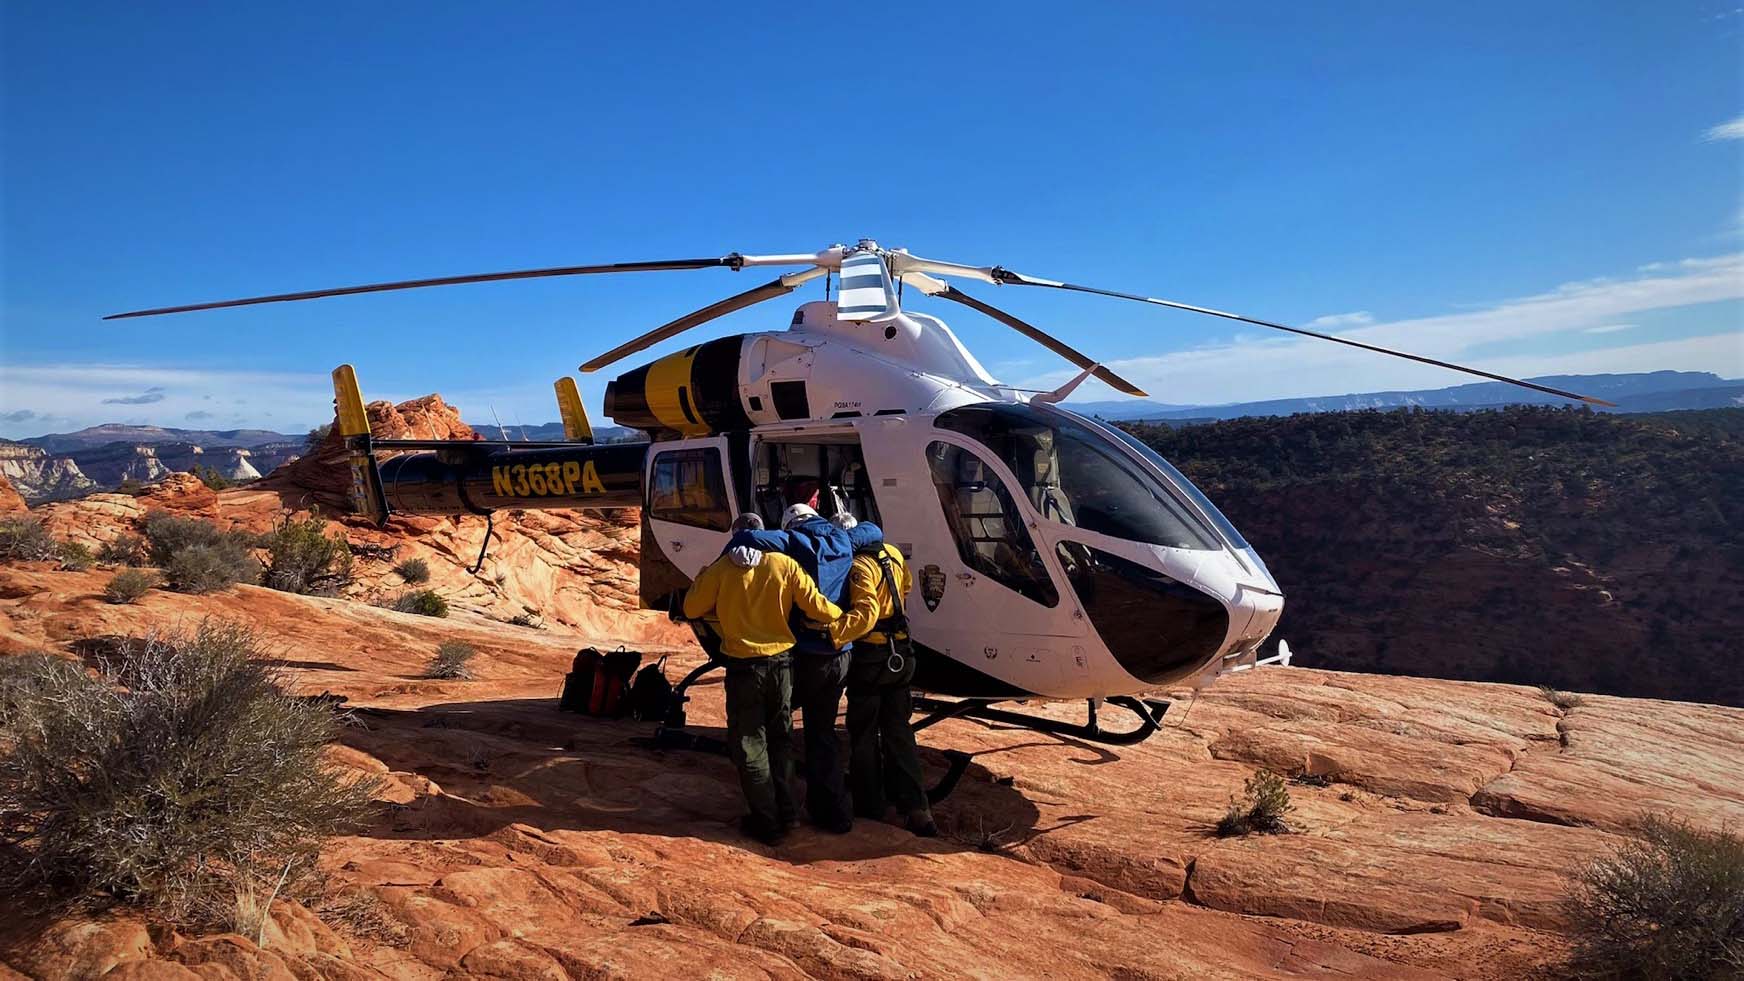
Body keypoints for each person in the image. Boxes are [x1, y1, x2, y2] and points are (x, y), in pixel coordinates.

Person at [683, 514, 842, 846]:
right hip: (783, 665)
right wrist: (846, 618)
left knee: (750, 744)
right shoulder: (782, 564)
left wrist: (703, 580)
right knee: (780, 739)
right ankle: (789, 813)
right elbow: (817, 608)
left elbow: (692, 607)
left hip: (744, 669)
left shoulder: (722, 568)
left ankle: (766, 821)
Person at [725, 502, 878, 833]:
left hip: (806, 654)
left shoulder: (792, 541)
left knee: (772, 727)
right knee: (822, 733)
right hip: (841, 653)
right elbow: (874, 530)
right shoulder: (843, 540)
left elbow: (750, 536)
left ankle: (780, 806)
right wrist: (850, 530)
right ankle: (835, 813)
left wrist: (737, 546)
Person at [830, 519, 936, 837]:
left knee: (863, 733)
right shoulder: (892, 553)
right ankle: (916, 807)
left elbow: (866, 614)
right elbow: (904, 591)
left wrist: (833, 633)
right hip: (902, 655)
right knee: (899, 732)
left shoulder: (860, 566)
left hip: (873, 659)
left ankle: (870, 805)